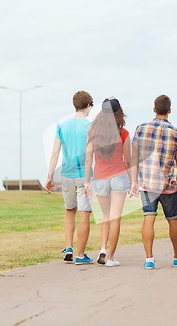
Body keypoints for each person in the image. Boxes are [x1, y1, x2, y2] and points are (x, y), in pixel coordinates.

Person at [130, 95, 177, 270]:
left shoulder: (140, 129)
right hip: (168, 184)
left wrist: (134, 181)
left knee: (149, 218)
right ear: (169, 111)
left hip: (147, 183)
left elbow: (134, 158)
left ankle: (149, 259)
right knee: (173, 220)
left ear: (154, 109)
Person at [46, 90, 94, 265]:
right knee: (84, 214)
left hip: (66, 175)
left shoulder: (62, 126)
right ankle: (80, 255)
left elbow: (54, 153)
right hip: (83, 176)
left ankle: (69, 247)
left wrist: (50, 176)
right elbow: (90, 155)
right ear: (88, 105)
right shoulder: (90, 127)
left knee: (69, 210)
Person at [84, 97, 130, 267]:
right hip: (119, 178)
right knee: (115, 217)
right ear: (119, 113)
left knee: (105, 216)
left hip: (99, 178)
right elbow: (128, 160)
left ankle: (103, 249)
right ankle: (111, 257)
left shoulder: (93, 132)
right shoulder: (123, 133)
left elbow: (88, 159)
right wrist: (133, 182)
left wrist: (87, 181)